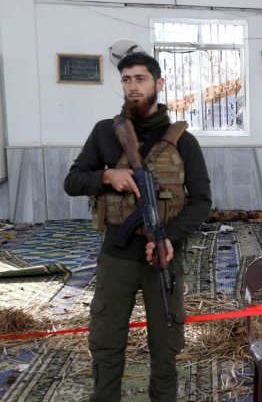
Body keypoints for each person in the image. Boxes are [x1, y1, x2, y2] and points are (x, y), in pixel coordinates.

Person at [64, 52, 212, 401]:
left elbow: (202, 201)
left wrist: (170, 237)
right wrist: (106, 175)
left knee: (166, 344)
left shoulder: (183, 142)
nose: (133, 86)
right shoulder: (105, 132)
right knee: (106, 340)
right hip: (116, 254)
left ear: (158, 85)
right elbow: (73, 181)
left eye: (141, 79)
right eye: (126, 79)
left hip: (162, 255)